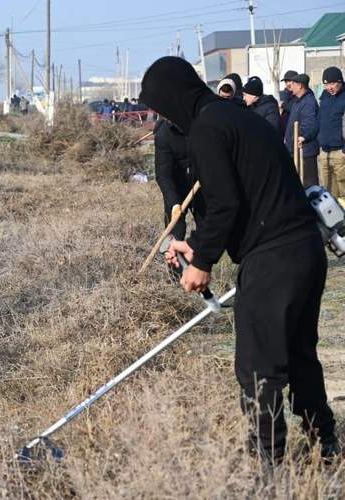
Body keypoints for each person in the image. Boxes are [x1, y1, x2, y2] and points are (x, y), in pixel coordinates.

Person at [140, 56, 339, 465]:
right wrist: (195, 244)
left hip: (274, 258)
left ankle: (267, 467)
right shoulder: (236, 117)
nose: (163, 117)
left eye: (160, 106)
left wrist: (202, 264)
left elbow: (227, 204)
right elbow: (242, 199)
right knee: (300, 355)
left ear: (174, 96)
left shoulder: (207, 129)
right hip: (303, 250)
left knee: (258, 367)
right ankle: (327, 446)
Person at [154, 118, 204, 248]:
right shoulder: (164, 134)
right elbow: (163, 174)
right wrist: (174, 203)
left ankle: (202, 263)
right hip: (177, 187)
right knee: (174, 230)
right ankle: (173, 265)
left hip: (202, 184)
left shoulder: (201, 126)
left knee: (207, 227)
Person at [284, 73, 320, 186]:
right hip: (294, 150)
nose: (290, 87)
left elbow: (310, 122)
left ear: (300, 86)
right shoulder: (297, 101)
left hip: (305, 151)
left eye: (293, 84)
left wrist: (303, 136)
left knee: (309, 185)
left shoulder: (308, 101)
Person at [317, 66, 345, 198]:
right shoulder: (324, 97)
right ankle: (334, 219)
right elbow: (319, 120)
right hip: (324, 152)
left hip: (340, 153)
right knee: (327, 193)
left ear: (340, 81)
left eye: (333, 83)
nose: (329, 87)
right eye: (326, 84)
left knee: (343, 191)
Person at [280, 70, 299, 135]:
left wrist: (282, 105)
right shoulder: (287, 94)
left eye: (289, 81)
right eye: (286, 81)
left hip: (295, 133)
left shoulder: (299, 94)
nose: (287, 84)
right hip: (286, 132)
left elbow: (293, 107)